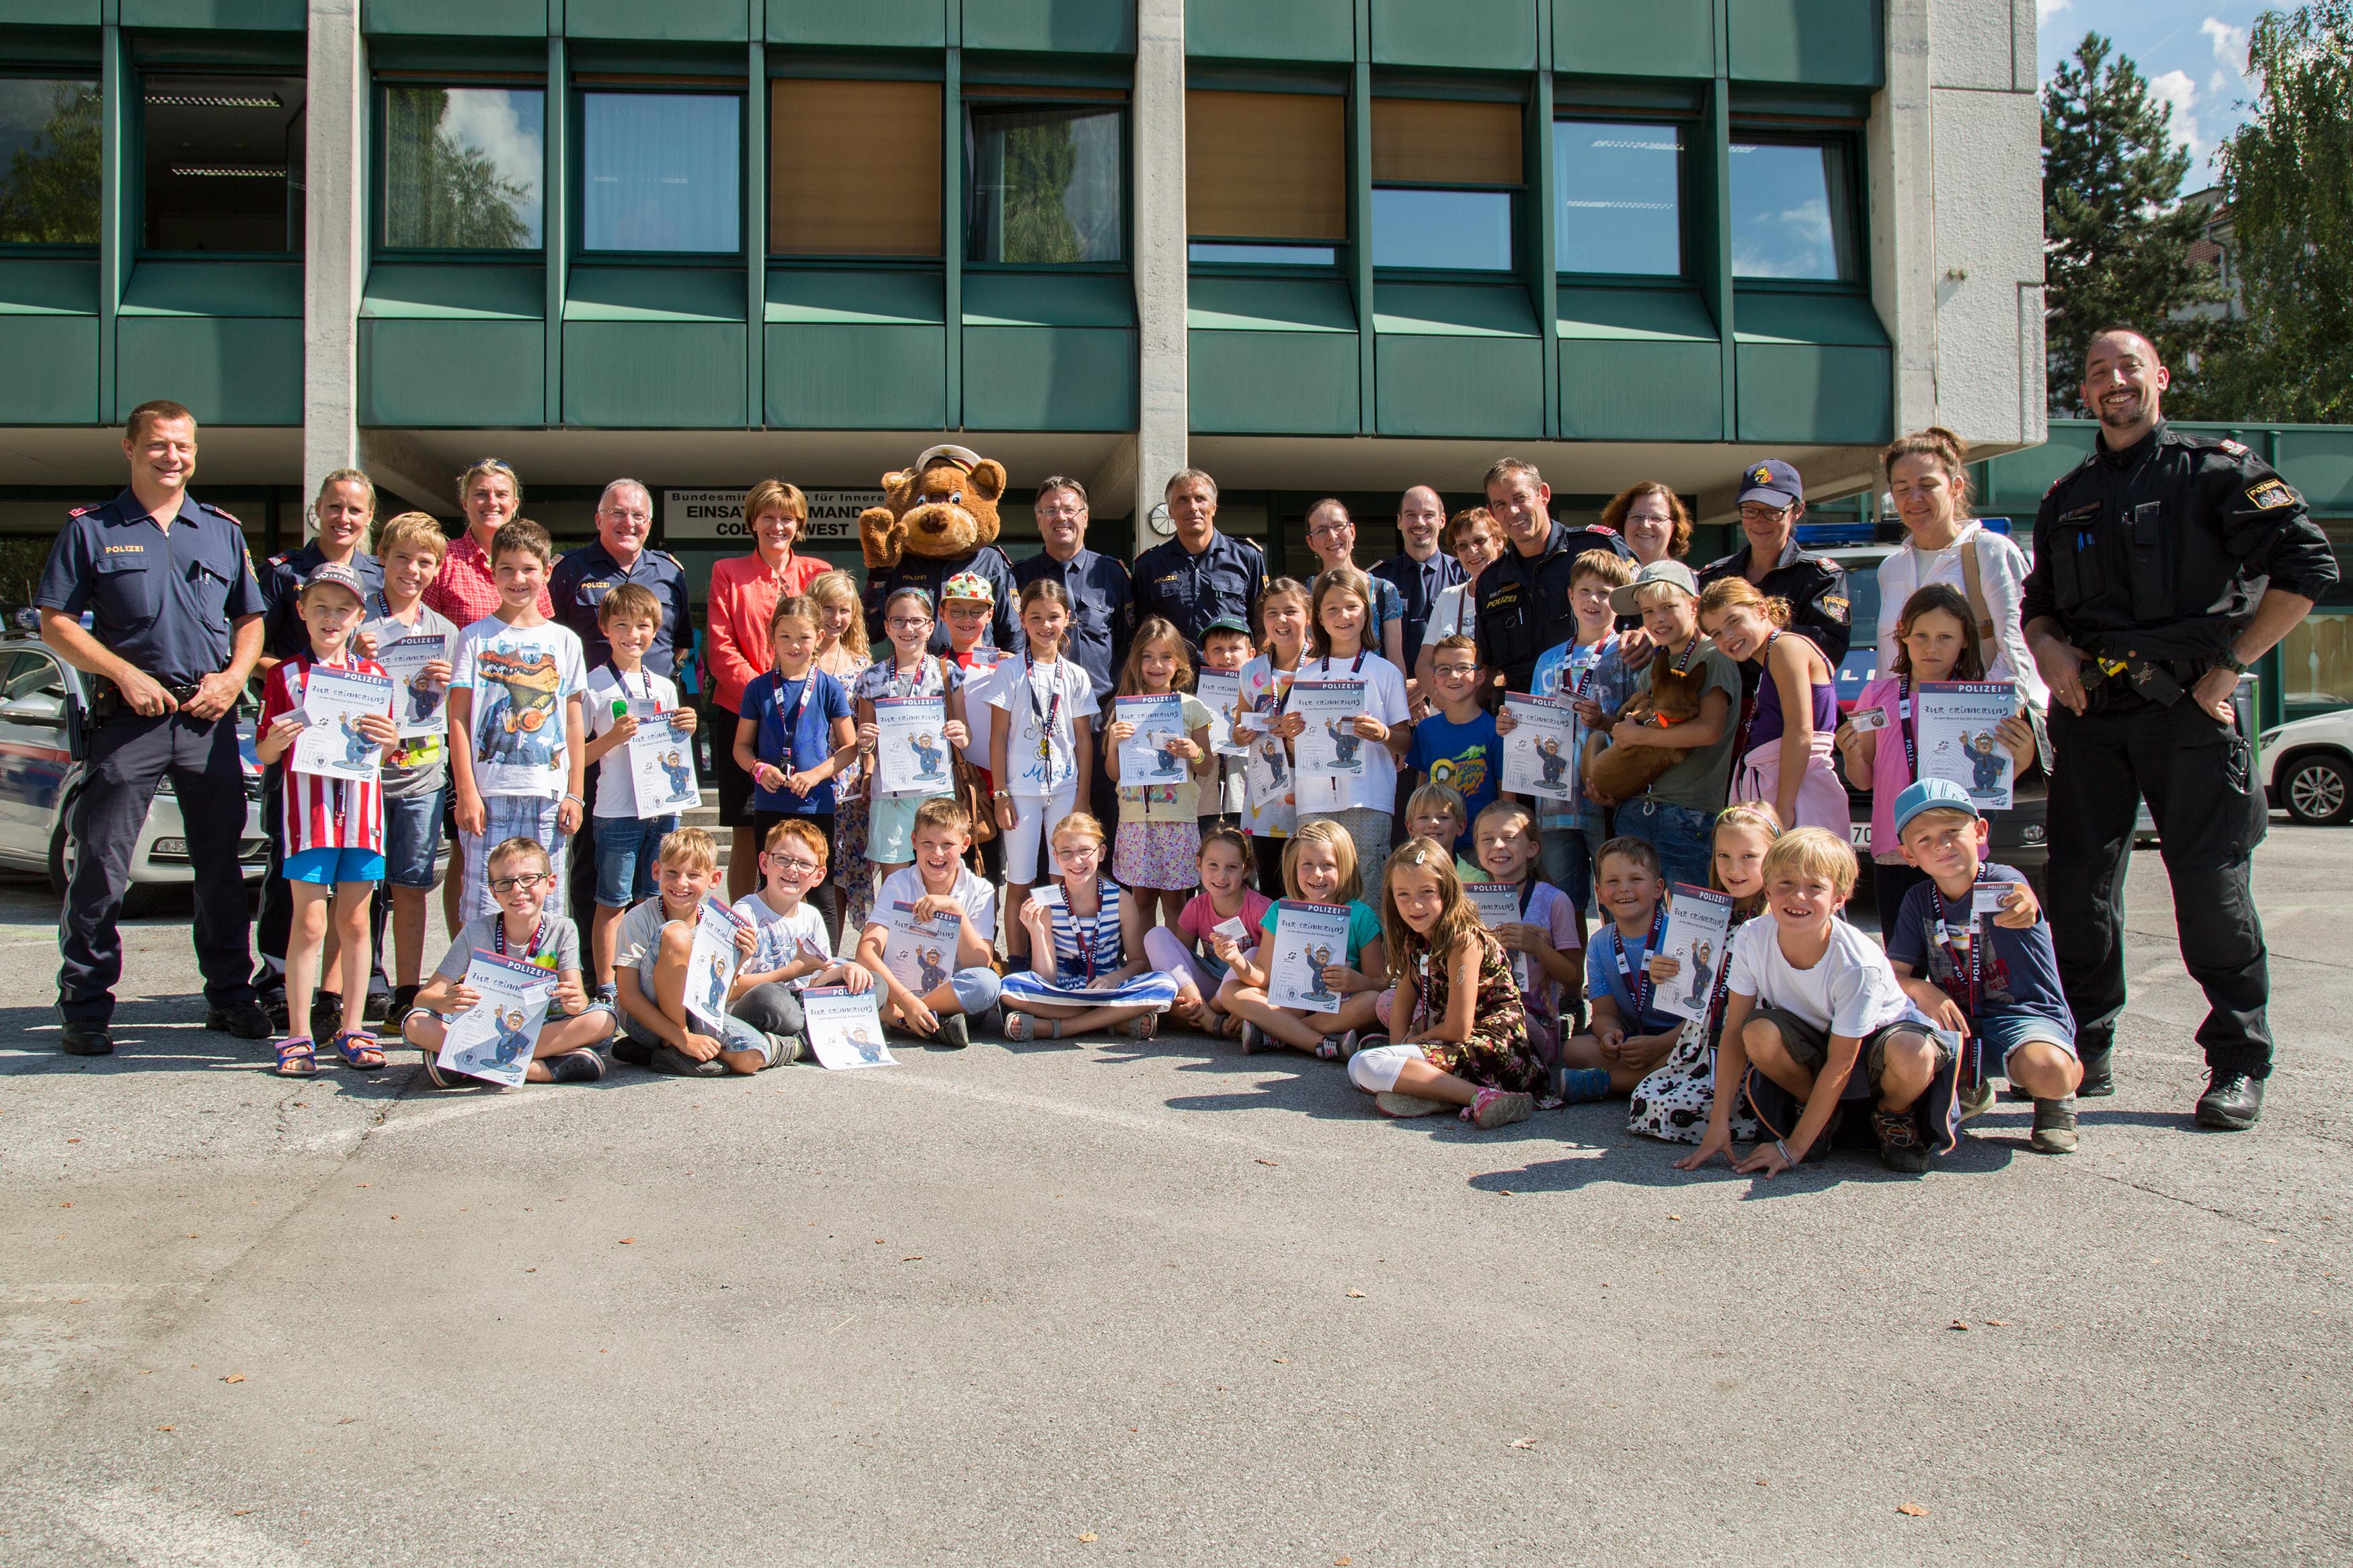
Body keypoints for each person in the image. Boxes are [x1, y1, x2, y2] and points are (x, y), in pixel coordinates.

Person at [2024, 326, 2335, 1129]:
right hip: (2091, 715)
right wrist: (2050, 651)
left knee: (2210, 894)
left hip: (2187, 714)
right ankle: (2083, 1048)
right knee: (2077, 893)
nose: (2112, 381)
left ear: (2157, 376)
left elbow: (2306, 568)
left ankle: (2236, 1059)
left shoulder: (2215, 472)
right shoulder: (2065, 496)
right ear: (2083, 392)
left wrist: (2232, 664)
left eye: (2127, 367)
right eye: (2096, 372)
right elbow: (2040, 608)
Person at [38, 399, 271, 1056]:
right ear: (131, 448)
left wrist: (232, 679)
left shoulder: (220, 530)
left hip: (207, 719)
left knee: (223, 869)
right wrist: (124, 673)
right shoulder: (92, 528)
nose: (174, 456)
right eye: (161, 444)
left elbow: (248, 620)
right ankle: (85, 1004)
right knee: (103, 867)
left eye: (184, 446)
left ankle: (229, 996)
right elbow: (54, 619)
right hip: (128, 721)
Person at [1675, 828, 1952, 1178]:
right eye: (1786, 883)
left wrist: (1791, 1151)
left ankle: (1894, 1114)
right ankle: (1816, 1112)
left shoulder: (1856, 962)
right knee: (1756, 1031)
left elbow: (1841, 1062)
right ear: (1768, 886)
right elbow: (1732, 1034)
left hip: (1876, 1044)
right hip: (1813, 1039)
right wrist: (1718, 1127)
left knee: (1914, 1051)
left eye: (1816, 887)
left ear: (1839, 898)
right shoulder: (1751, 937)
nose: (1798, 896)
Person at [251, 468, 388, 1032]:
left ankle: (352, 1027)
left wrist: (390, 738)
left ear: (360, 616)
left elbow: (391, 741)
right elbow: (263, 751)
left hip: (361, 817)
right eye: (320, 608)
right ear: (302, 609)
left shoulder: (375, 674)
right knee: (306, 923)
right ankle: (299, 1029)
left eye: (344, 610)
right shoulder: (285, 674)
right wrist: (275, 743)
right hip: (306, 814)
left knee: (355, 923)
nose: (332, 619)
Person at [1884, 779, 2083, 1154]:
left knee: (2049, 1072)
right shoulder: (1917, 900)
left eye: (1951, 831)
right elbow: (1894, 973)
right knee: (1899, 1056)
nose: (1940, 845)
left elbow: (2020, 897)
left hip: (2022, 1015)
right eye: (1923, 840)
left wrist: (2024, 904)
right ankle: (1971, 1088)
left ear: (1979, 831)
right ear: (1909, 855)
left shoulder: (2003, 880)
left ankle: (2057, 1099)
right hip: (1958, 1022)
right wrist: (1924, 989)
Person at [1839, 585, 2036, 916]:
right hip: (1897, 847)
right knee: (1904, 956)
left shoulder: (1983, 700)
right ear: (1902, 634)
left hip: (1956, 849)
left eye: (1945, 637)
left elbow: (1994, 784)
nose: (1932, 647)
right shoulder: (1875, 695)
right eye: (1921, 635)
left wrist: (2024, 754)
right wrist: (1851, 754)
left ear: (1966, 640)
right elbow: (1862, 781)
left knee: (1958, 947)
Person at [550, 479, 691, 927]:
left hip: (653, 733)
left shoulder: (670, 572)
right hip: (593, 726)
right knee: (595, 865)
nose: (628, 522)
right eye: (617, 513)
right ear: (598, 519)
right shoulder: (569, 570)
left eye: (637, 515)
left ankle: (643, 974)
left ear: (649, 524)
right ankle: (594, 979)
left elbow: (680, 644)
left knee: (653, 872)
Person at [424, 458, 549, 941]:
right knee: (467, 846)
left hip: (518, 734)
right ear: (464, 502)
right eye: (480, 493)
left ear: (515, 503)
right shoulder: (446, 560)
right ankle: (468, 949)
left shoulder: (528, 562)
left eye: (501, 494)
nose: (490, 502)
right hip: (454, 723)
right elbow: (420, 625)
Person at [1343, 837, 1546, 1128]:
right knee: (1363, 1066)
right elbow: (1403, 999)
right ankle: (1441, 1095)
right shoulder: (1417, 938)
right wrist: (1398, 1046)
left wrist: (1410, 1044)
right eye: (1403, 895)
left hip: (1492, 1052)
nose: (1416, 904)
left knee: (1365, 1064)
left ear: (1448, 891)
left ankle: (1481, 1097)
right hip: (1457, 1048)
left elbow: (1458, 1029)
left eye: (1427, 892)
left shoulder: (1463, 941)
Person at [447, 519, 588, 924]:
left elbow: (574, 721)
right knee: (485, 904)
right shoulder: (474, 638)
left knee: (544, 907)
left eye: (528, 568)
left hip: (549, 795)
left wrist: (575, 793)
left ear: (546, 573)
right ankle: (482, 985)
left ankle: (542, 986)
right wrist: (466, 792)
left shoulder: (565, 641)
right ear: (492, 572)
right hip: (488, 795)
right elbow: (457, 718)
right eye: (506, 568)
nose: (517, 578)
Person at [401, 835, 614, 1087]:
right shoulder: (475, 933)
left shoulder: (563, 929)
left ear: (550, 883)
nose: (517, 890)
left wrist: (576, 1002)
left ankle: (465, 1063)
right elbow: (424, 998)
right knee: (415, 1023)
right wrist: (446, 1001)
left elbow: (576, 1001)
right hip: (483, 1029)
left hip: (543, 1026)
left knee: (603, 1019)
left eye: (528, 879)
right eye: (505, 883)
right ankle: (544, 1070)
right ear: (493, 892)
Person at [359, 511, 458, 1032]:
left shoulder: (445, 632)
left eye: (425, 561)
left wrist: (443, 683)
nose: (412, 569)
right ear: (382, 557)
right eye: (402, 557)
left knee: (412, 885)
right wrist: (352, 658)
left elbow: (453, 708)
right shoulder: (359, 622)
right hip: (364, 776)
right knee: (356, 888)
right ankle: (348, 991)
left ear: (437, 569)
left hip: (421, 773)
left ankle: (405, 989)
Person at [705, 479, 831, 889]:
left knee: (807, 825)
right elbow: (721, 647)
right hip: (744, 713)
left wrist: (800, 698)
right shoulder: (727, 572)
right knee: (746, 827)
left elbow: (830, 639)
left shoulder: (817, 572)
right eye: (768, 518)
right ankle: (744, 924)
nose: (778, 526)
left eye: (788, 519)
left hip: (808, 714)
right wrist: (763, 698)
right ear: (753, 522)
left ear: (800, 524)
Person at [1628, 802, 1779, 1144]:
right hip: (1698, 1043)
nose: (1734, 868)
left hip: (1751, 1043)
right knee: (1645, 1099)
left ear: (1774, 856)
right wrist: (1665, 973)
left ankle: (1758, 1112)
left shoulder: (1777, 921)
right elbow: (1694, 990)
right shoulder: (1708, 912)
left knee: (1668, 1110)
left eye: (1748, 857)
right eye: (1724, 856)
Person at [1585, 561, 1739, 889]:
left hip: (1688, 813)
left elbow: (1709, 731)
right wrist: (1603, 723)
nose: (1658, 619)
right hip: (1636, 808)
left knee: (1689, 924)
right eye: (1649, 612)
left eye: (1669, 607)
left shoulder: (1713, 655)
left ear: (1694, 605)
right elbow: (1640, 734)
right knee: (1629, 920)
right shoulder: (1652, 668)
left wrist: (1637, 733)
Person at [582, 583, 698, 996]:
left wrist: (687, 726)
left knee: (656, 900)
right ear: (605, 629)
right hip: (616, 810)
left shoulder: (664, 685)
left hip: (662, 806)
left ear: (656, 630)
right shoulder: (592, 685)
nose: (634, 634)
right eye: (623, 625)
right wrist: (612, 738)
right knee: (612, 900)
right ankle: (607, 987)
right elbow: (576, 757)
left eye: (644, 626)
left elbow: (674, 749)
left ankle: (653, 981)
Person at [1875, 429, 2046, 709]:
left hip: (1975, 730)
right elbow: (1888, 663)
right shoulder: (1891, 568)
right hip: (1906, 731)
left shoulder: (1990, 552)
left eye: (1927, 485)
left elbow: (2017, 650)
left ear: (1956, 487)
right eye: (1902, 488)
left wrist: (1974, 717)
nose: (1914, 497)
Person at [1275, 567, 1414, 891]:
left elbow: (1405, 742)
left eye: (1352, 606)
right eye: (1332, 608)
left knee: (1367, 888)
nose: (1343, 615)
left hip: (1369, 799)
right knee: (1318, 889)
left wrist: (1383, 735)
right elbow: (1296, 750)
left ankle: (1368, 946)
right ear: (1319, 619)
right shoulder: (1306, 676)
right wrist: (1292, 735)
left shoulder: (1386, 673)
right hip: (1315, 800)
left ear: (1367, 612)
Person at [606, 827, 785, 1077]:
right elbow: (627, 997)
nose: (681, 883)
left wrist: (740, 958)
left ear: (713, 880)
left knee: (751, 1057)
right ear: (656, 871)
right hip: (644, 1018)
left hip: (695, 1013)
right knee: (676, 934)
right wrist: (682, 1037)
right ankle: (675, 1045)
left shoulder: (720, 924)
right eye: (672, 873)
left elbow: (721, 995)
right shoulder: (638, 918)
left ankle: (659, 1052)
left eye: (693, 875)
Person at [986, 580, 1097, 961]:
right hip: (1019, 793)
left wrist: (1082, 797)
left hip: (1065, 791)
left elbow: (1083, 739)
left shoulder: (1077, 676)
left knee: (1061, 878)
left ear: (1068, 619)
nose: (1045, 625)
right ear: (1022, 620)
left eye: (1054, 617)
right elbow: (998, 736)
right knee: (1020, 879)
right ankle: (1018, 961)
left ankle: (1057, 956)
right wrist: (1000, 793)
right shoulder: (1010, 671)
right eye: (1036, 617)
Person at [1519, 549, 1637, 909]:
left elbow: (1641, 726)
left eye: (1605, 593)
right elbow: (1532, 726)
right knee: (1563, 905)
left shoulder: (1631, 652)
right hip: (1554, 804)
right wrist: (1513, 725)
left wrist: (1604, 721)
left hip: (1608, 799)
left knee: (1618, 900)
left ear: (1618, 601)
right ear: (1570, 595)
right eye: (1585, 591)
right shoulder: (1548, 659)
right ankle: (1568, 969)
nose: (1594, 600)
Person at [1213, 818, 1387, 1059]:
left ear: (1345, 867)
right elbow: (1263, 976)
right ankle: (1322, 1043)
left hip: (1339, 1008)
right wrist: (1235, 960)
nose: (1317, 874)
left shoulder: (1362, 916)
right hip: (1287, 1005)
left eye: (1328, 865)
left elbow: (1380, 983)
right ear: (1293, 867)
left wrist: (1357, 981)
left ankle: (1279, 1034)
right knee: (1233, 991)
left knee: (1373, 1002)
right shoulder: (1279, 910)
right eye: (1307, 864)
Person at [999, 813, 1180, 1041]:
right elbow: (1046, 977)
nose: (1076, 861)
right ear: (1055, 857)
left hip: (1110, 990)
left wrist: (1115, 978)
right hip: (1062, 993)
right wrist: (1036, 931)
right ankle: (1112, 1022)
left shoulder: (1121, 900)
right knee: (1009, 987)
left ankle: (1060, 1028)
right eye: (1066, 853)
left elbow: (1138, 963)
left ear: (1101, 853)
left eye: (1085, 851)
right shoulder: (1048, 903)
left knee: (1164, 984)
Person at [1698, 578, 1847, 835]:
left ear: (1762, 610)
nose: (1728, 637)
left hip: (1801, 796)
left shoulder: (1784, 647)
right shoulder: (1774, 653)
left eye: (1734, 621)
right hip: (1788, 793)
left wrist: (1784, 809)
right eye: (1717, 634)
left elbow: (1800, 731)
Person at [732, 595, 856, 904]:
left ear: (819, 637)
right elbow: (741, 747)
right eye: (785, 636)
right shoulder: (758, 688)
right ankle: (771, 953)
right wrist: (758, 769)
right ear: (772, 636)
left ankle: (822, 955)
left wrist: (816, 775)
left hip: (816, 804)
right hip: (770, 802)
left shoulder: (829, 687)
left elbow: (850, 748)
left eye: (804, 637)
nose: (794, 645)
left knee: (820, 892)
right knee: (772, 887)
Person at [1472, 458, 1633, 695]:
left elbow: (1648, 608)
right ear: (1492, 513)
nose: (1513, 511)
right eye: (1501, 504)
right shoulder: (1491, 581)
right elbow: (1487, 667)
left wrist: (1642, 634)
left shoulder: (1598, 547)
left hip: (1603, 706)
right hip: (1525, 718)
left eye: (1520, 498)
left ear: (1543, 494)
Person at [856, 798, 1006, 1048]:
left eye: (948, 844)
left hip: (950, 993)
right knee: (846, 973)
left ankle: (903, 1021)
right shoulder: (897, 883)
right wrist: (906, 999)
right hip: (899, 988)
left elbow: (979, 962)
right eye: (928, 843)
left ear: (964, 844)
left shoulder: (980, 889)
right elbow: (865, 953)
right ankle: (932, 1023)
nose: (937, 853)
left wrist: (955, 909)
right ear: (914, 842)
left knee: (987, 984)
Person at [1465, 800, 1587, 1092]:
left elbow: (1573, 977)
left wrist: (1538, 947)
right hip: (1475, 1011)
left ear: (1532, 849)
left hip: (1532, 1023)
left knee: (1502, 1023)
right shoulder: (1466, 900)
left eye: (1509, 838)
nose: (1498, 846)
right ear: (1478, 850)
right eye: (1487, 839)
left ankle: (1470, 1072)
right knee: (1391, 1003)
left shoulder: (1554, 901)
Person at [854, 587, 972, 888]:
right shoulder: (871, 678)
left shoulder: (947, 672)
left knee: (938, 879)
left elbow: (966, 733)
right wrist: (865, 740)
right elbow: (866, 744)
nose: (908, 629)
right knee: (895, 885)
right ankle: (898, 936)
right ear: (887, 627)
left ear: (931, 627)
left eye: (917, 621)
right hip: (891, 794)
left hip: (936, 794)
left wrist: (960, 734)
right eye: (899, 621)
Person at [1103, 618, 1215, 932]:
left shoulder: (1192, 707)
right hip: (1135, 819)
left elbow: (1206, 767)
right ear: (1137, 661)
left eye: (1166, 656)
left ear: (1179, 662)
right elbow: (1114, 774)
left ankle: (1177, 964)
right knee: (1142, 900)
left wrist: (1195, 752)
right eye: (1148, 656)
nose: (1157, 665)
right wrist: (1113, 744)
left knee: (1176, 900)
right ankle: (1144, 963)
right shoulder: (1122, 710)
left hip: (1177, 818)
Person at [731, 818, 873, 1062]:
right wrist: (791, 971)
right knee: (773, 999)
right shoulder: (746, 912)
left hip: (799, 1002)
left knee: (872, 983)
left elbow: (816, 979)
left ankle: (794, 1044)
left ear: (818, 876)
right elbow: (729, 988)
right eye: (783, 859)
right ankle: (813, 1038)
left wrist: (846, 970)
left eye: (804, 864)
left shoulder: (812, 916)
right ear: (765, 863)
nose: (792, 869)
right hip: (755, 1005)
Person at [1694, 459, 1851, 679]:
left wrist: (1764, 628)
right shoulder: (1714, 576)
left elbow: (1829, 650)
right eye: (1750, 510)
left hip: (1785, 701)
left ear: (1797, 511)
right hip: (1724, 706)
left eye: (1772, 512)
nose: (1760, 521)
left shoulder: (1819, 576)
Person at [1566, 837, 1687, 1098]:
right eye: (1613, 881)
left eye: (1635, 879)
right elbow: (1604, 1013)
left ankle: (1609, 1083)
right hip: (1634, 1039)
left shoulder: (1680, 935)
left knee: (1695, 1052)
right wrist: (1610, 1036)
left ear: (1658, 889)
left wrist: (1659, 1045)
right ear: (1599, 893)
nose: (1624, 889)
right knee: (1574, 1050)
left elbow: (1701, 1017)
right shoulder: (1600, 943)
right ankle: (1656, 1078)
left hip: (1679, 1038)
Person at [1012, 475, 1134, 710]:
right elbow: (1013, 642)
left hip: (1102, 708)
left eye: (1070, 509)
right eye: (1050, 511)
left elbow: (1127, 645)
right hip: (1038, 707)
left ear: (1085, 517)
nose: (1061, 517)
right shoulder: (1019, 577)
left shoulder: (1113, 574)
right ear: (1039, 520)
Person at [1144, 825, 1270, 1040]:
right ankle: (1204, 1013)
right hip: (1209, 984)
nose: (1221, 875)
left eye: (1231, 867)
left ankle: (1202, 1015)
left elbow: (1270, 970)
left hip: (1243, 987)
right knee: (1156, 935)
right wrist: (1184, 991)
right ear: (1199, 864)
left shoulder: (1261, 908)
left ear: (1246, 870)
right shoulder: (1196, 906)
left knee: (1252, 952)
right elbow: (1178, 958)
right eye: (1213, 865)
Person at [1132, 468, 1267, 651]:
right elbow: (1140, 632)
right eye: (1183, 500)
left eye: (1200, 498)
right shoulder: (1149, 565)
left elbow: (1262, 626)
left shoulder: (1246, 557)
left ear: (1214, 507)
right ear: (1170, 511)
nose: (1193, 507)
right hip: (1173, 675)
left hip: (1231, 675)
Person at [808, 569, 875, 933]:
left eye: (844, 610)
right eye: (827, 609)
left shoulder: (863, 665)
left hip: (849, 782)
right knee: (813, 867)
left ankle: (843, 961)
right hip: (808, 774)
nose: (836, 618)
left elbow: (867, 731)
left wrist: (868, 772)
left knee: (848, 870)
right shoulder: (797, 656)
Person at [1235, 577, 1310, 893]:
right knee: (1272, 890)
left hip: (1311, 798)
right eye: (1271, 613)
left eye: (1291, 611)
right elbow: (1238, 733)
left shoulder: (1322, 667)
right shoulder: (1252, 671)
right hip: (1265, 801)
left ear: (1309, 615)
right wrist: (1242, 733)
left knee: (1309, 884)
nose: (1281, 620)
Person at [1404, 634, 1499, 859]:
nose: (1454, 675)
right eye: (1444, 669)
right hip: (1434, 845)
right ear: (1434, 679)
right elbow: (1421, 789)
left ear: (1480, 676)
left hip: (1480, 847)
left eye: (1463, 667)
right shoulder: (1426, 730)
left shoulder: (1496, 730)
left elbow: (1506, 798)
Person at [1371, 485, 1466, 683]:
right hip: (1392, 693)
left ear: (1442, 521)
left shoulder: (1463, 575)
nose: (1419, 522)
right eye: (1411, 515)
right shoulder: (1378, 580)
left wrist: (1423, 686)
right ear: (1399, 521)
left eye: (1428, 514)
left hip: (1452, 692)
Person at [1300, 499, 1407, 671]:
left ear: (1352, 531)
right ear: (1311, 542)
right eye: (1321, 530)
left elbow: (1395, 660)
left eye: (1338, 526)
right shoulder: (1303, 595)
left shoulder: (1384, 591)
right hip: (1320, 693)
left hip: (1373, 692)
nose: (1332, 536)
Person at [1414, 506, 1505, 701]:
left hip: (1487, 716)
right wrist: (1444, 701)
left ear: (1499, 542)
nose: (1472, 551)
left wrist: (1467, 707)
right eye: (1462, 546)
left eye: (1480, 541)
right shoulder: (1448, 597)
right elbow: (1423, 664)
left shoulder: (1513, 595)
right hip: (1445, 715)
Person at [1197, 615, 1255, 831]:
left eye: (1234, 648)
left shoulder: (1262, 696)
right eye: (1218, 649)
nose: (1226, 656)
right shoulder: (1195, 701)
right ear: (1206, 656)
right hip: (1206, 801)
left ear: (1251, 655)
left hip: (1244, 796)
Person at [1604, 481, 1693, 570]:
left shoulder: (1690, 582)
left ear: (1672, 527)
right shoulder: (1603, 580)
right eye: (1637, 517)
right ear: (1623, 522)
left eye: (1656, 518)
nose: (1645, 525)